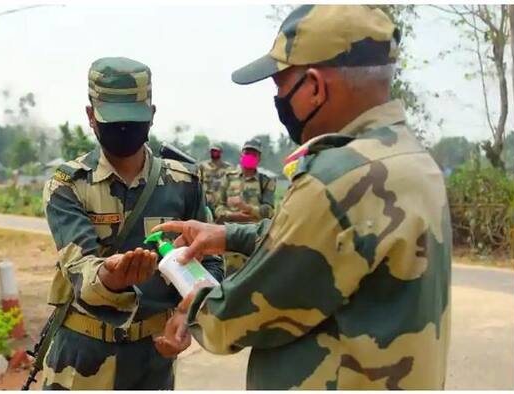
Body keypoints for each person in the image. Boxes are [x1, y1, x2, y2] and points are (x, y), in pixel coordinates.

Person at [152, 5, 451, 390]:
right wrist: (229, 235)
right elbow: (333, 241)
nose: (278, 99)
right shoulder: (411, 159)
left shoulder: (336, 178)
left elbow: (235, 317)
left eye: (280, 85)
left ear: (314, 86)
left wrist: (190, 297)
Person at [41, 56, 223, 390]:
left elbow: (209, 261)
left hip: (150, 363)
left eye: (133, 119)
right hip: (81, 360)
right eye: (114, 119)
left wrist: (186, 313)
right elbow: (79, 268)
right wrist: (111, 277)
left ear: (152, 115)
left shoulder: (184, 182)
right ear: (91, 116)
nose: (124, 129)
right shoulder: (68, 184)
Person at [214, 138, 276, 224]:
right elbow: (218, 206)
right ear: (241, 156)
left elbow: (269, 211)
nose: (250, 157)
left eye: (254, 155)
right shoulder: (229, 177)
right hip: (228, 229)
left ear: (259, 159)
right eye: (247, 153)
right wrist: (233, 215)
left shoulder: (266, 181)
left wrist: (247, 208)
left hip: (254, 230)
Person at [197, 144, 232, 213]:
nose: (214, 153)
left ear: (221, 152)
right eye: (212, 151)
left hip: (221, 201)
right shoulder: (203, 166)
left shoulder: (227, 167)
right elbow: (198, 182)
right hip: (206, 200)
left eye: (216, 151)